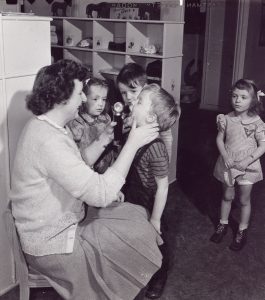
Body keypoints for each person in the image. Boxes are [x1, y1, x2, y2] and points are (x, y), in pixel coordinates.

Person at [9, 59, 163, 300]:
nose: (83, 99)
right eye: (80, 93)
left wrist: (102, 141)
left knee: (136, 216)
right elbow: (99, 194)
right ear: (62, 98)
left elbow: (75, 164)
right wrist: (132, 143)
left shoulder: (47, 126)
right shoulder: (49, 140)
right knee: (132, 235)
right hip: (50, 241)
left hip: (58, 220)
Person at [124, 83, 180, 299]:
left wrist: (155, 218)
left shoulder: (155, 147)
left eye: (139, 102)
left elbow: (163, 186)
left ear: (151, 118)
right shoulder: (136, 132)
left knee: (158, 240)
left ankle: (160, 275)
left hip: (150, 200)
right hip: (133, 196)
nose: (133, 102)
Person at [210, 79, 265, 251]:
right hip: (229, 162)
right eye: (235, 96)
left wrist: (247, 161)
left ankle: (242, 229)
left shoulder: (257, 122)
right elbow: (220, 139)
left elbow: (263, 145)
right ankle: (223, 224)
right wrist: (225, 155)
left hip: (248, 165)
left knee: (243, 199)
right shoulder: (226, 118)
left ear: (253, 100)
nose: (237, 100)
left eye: (243, 97)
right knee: (227, 196)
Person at [116, 62, 174, 162]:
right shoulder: (126, 109)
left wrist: (166, 160)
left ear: (145, 87)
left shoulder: (154, 108)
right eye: (124, 93)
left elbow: (167, 137)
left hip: (152, 157)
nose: (128, 97)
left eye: (133, 91)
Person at [68, 77, 115, 174]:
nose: (100, 104)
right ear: (84, 98)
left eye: (104, 99)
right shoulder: (77, 123)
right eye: (95, 99)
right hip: (88, 171)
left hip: (107, 168)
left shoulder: (106, 118)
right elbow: (76, 158)